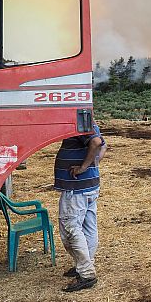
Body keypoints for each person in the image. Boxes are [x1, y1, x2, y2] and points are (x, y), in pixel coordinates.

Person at [53, 122, 106, 292]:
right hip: (88, 186)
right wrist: (93, 164)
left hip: (77, 189)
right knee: (88, 227)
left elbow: (97, 143)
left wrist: (84, 167)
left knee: (71, 229)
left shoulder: (80, 119)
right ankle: (85, 264)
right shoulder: (88, 119)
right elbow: (103, 145)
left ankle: (86, 273)